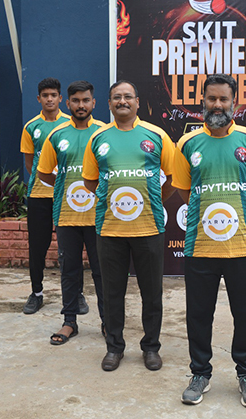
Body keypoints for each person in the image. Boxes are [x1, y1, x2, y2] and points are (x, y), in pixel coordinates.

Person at [173, 74, 246, 407]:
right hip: (200, 245)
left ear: (235, 103)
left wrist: (241, 211)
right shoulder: (187, 144)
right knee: (199, 315)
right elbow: (185, 190)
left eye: (224, 99)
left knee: (245, 316)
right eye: (211, 99)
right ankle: (200, 373)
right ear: (202, 101)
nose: (217, 105)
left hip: (243, 245)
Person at [82, 80, 175, 372]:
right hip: (110, 229)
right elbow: (90, 181)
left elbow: (172, 177)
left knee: (152, 292)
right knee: (112, 293)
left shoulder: (157, 135)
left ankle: (151, 347)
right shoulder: (98, 138)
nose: (122, 101)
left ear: (137, 101)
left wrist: (151, 200)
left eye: (127, 97)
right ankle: (114, 347)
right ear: (109, 104)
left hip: (149, 228)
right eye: (116, 97)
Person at [37, 80, 106, 345]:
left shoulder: (103, 133)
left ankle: (108, 322)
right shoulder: (57, 135)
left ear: (93, 103)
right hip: (67, 216)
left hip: (99, 217)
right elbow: (44, 173)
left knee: (102, 273)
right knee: (69, 271)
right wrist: (65, 186)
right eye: (75, 101)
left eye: (86, 100)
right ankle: (69, 322)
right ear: (68, 104)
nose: (81, 105)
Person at [20, 78, 86, 315]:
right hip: (39, 194)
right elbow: (31, 164)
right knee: (38, 246)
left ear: (61, 99)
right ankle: (36, 293)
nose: (49, 99)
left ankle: (77, 294)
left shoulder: (71, 124)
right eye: (45, 95)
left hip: (69, 196)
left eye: (54, 95)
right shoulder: (31, 127)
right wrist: (48, 182)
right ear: (39, 99)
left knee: (72, 248)